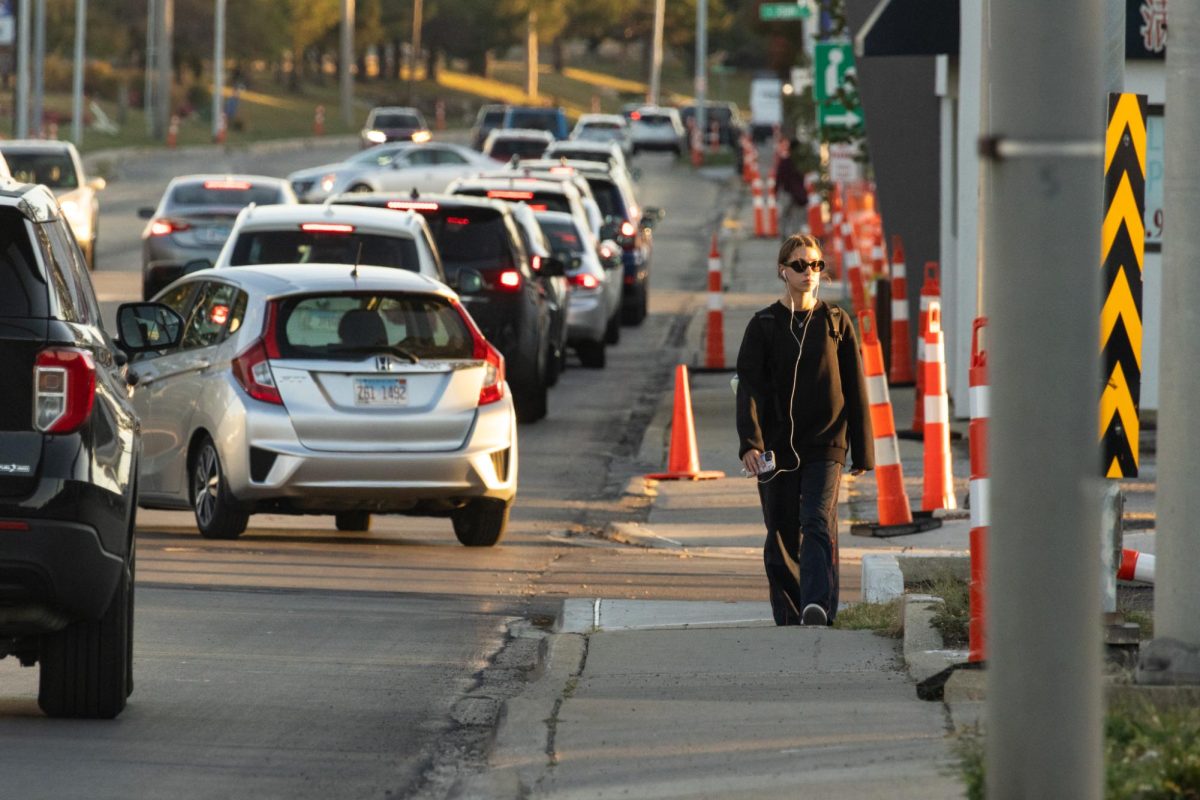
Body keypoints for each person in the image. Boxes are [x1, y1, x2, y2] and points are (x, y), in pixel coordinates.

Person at [735, 234, 874, 627]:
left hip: (827, 442)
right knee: (780, 529)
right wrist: (751, 442)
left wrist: (863, 450)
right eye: (799, 265)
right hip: (775, 449)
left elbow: (855, 388)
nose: (809, 272)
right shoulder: (762, 325)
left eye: (815, 265)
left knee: (815, 519)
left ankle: (817, 605)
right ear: (783, 270)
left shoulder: (836, 322)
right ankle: (789, 608)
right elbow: (749, 387)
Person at [774, 139, 808, 239]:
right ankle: (794, 238)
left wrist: (776, 191)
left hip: (787, 192)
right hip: (797, 194)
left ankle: (784, 236)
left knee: (784, 216)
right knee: (796, 218)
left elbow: (778, 177)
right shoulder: (801, 163)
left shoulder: (785, 162)